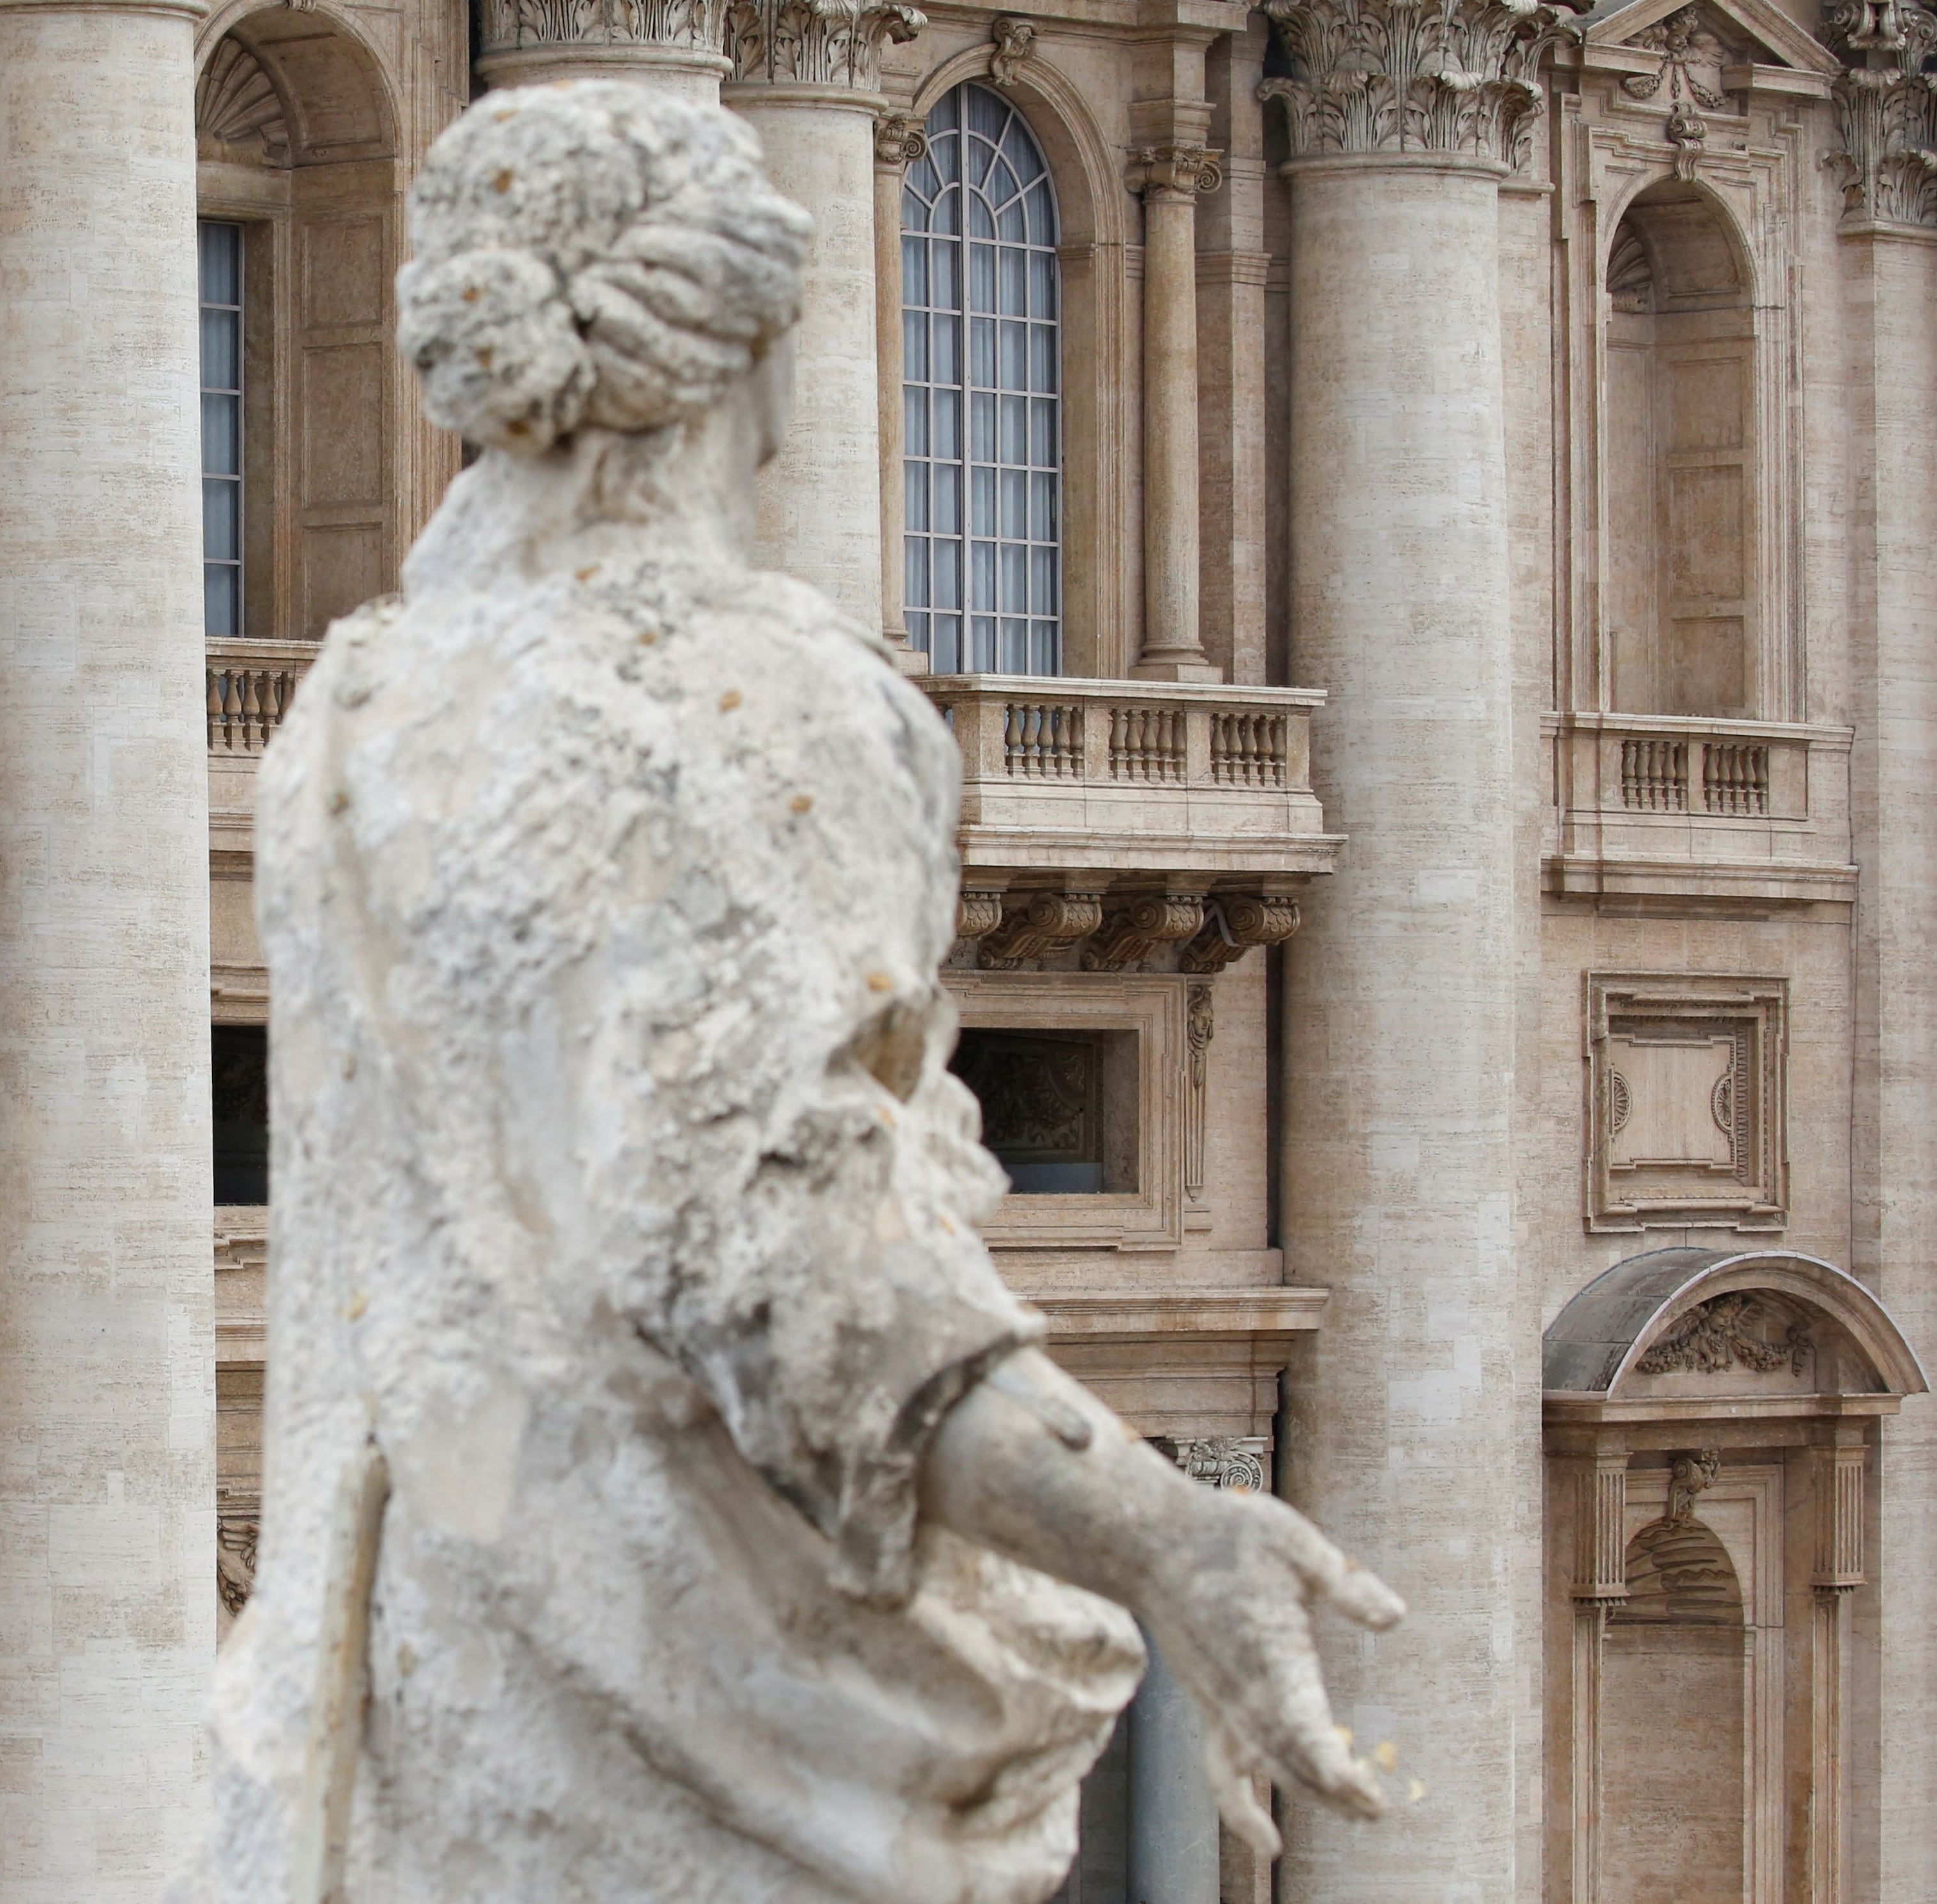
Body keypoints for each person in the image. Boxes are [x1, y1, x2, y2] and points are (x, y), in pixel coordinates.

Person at [218, 84, 1398, 1904]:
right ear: (741, 358)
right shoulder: (763, 696)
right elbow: (791, 1266)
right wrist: (1158, 1528)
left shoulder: (355, 718)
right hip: (706, 1726)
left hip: (434, 1715)